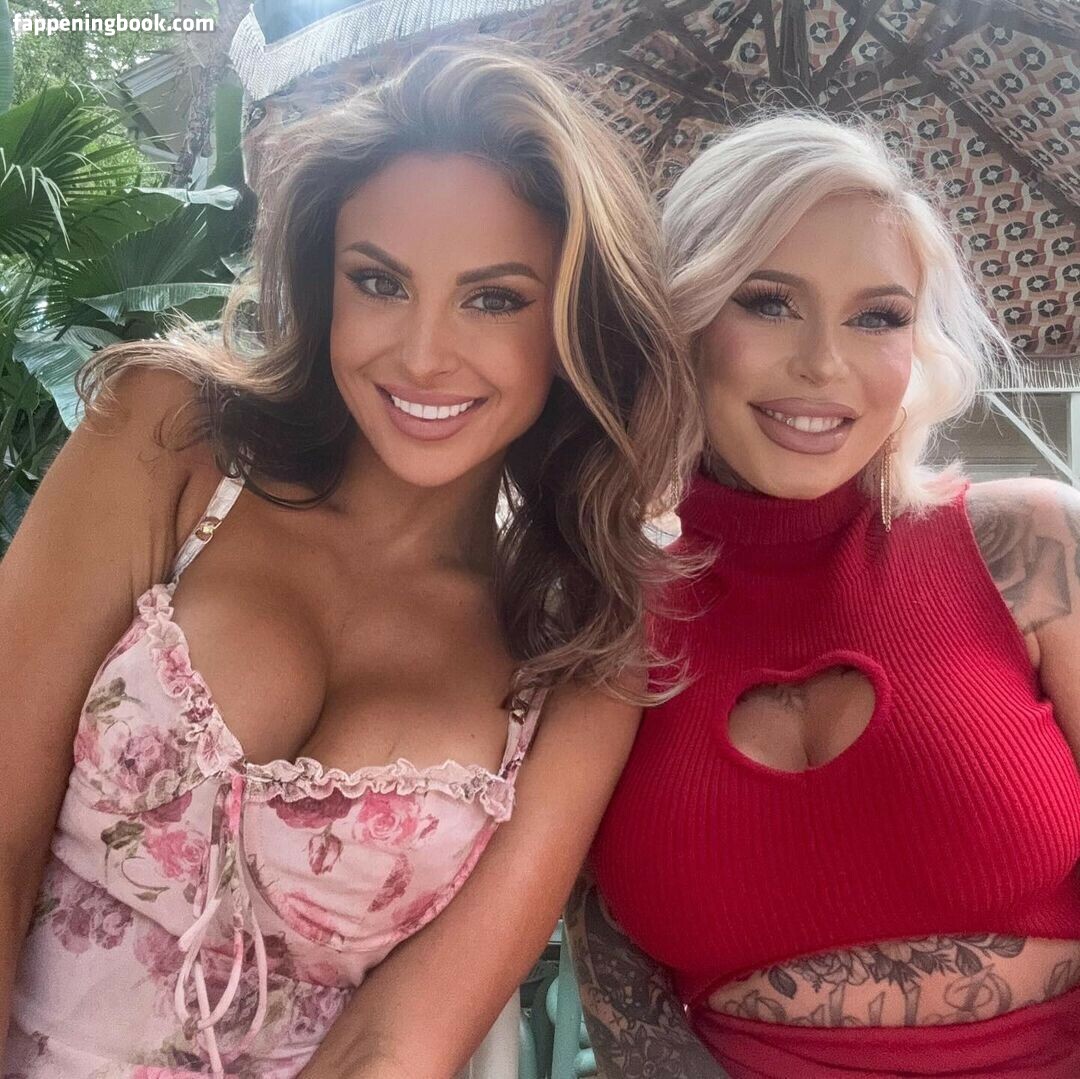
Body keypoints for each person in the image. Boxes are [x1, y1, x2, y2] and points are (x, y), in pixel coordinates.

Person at [0, 44, 700, 1078]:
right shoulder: (171, 440)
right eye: (379, 282)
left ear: (571, 325)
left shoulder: (580, 637)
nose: (421, 354)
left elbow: (399, 1038)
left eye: (494, 299)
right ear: (325, 284)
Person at [571, 112, 1080, 1078]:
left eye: (878, 316)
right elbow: (610, 973)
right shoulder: (600, 605)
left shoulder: (1034, 544)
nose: (823, 363)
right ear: (679, 320)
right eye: (769, 301)